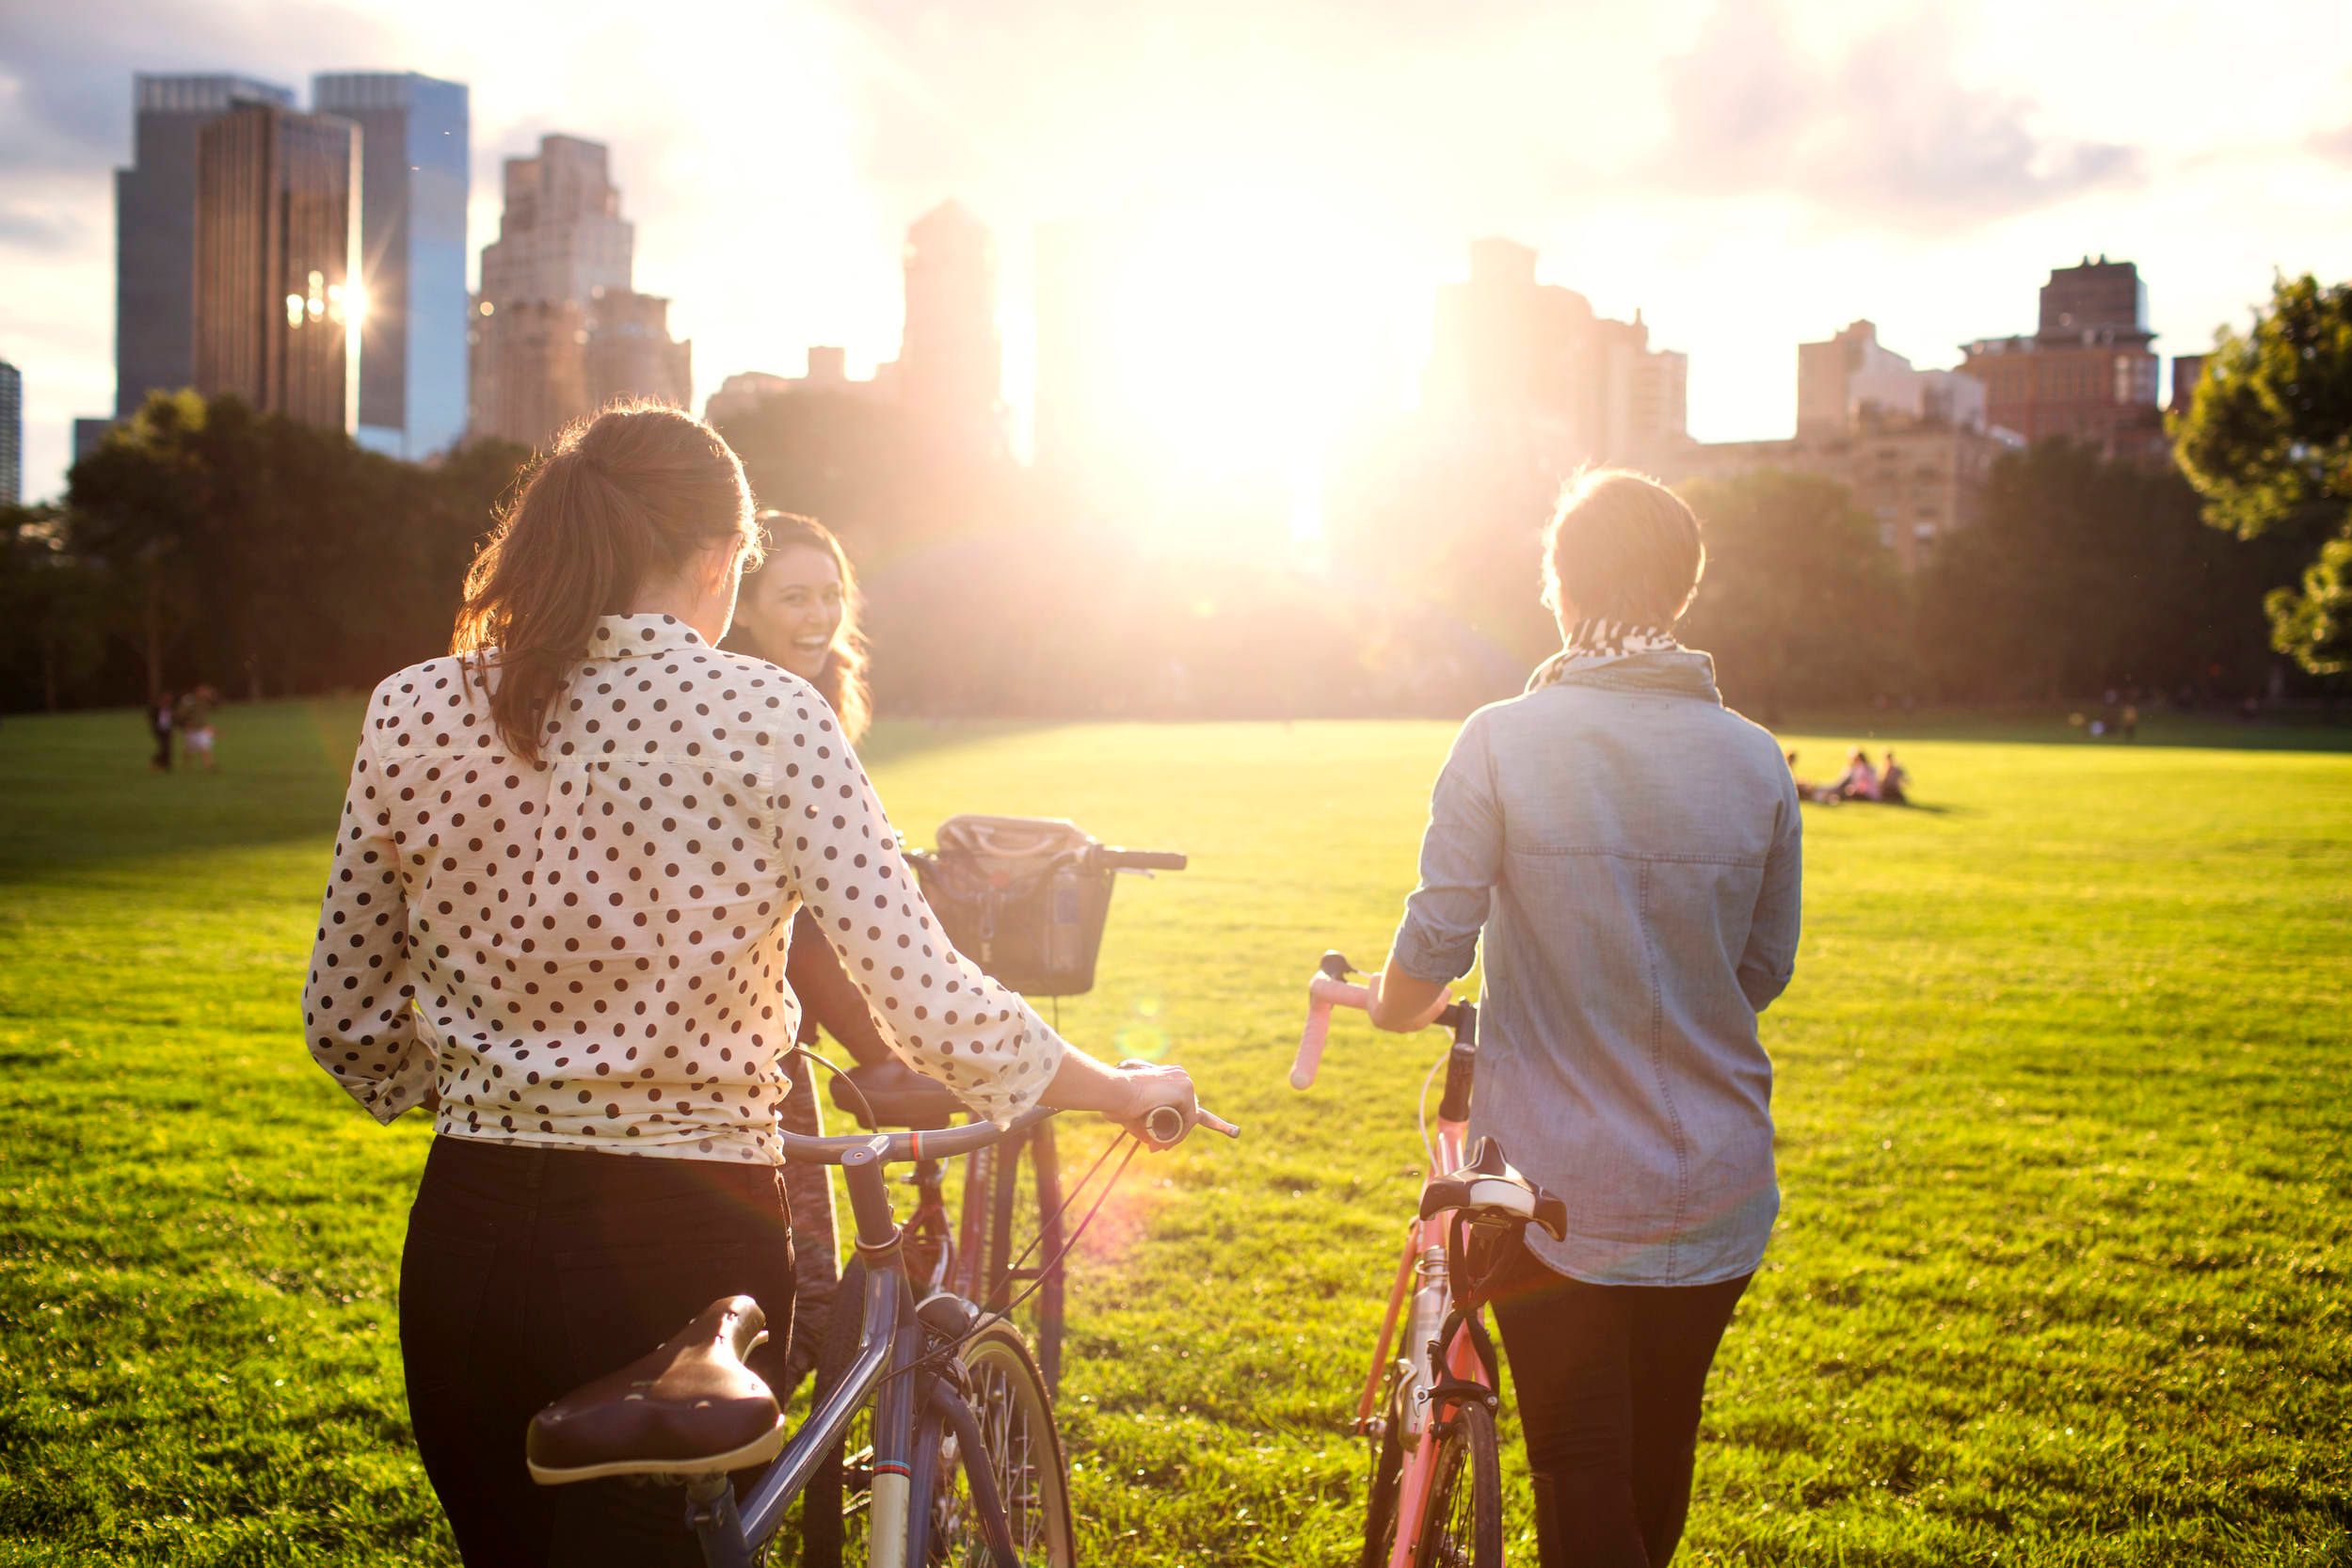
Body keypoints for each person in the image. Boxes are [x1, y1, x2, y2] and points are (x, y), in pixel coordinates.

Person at [300, 404, 1199, 1568]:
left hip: (469, 1237)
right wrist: (1115, 1087)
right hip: (682, 1244)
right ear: (723, 558)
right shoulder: (769, 713)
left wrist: (485, 1092)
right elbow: (928, 998)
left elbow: (346, 1015)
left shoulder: (413, 705)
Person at [1362, 469, 1800, 1568]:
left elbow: (1434, 945)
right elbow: (1762, 966)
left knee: (1577, 1456)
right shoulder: (1755, 757)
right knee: (1654, 1452)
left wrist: (1392, 1007)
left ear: (1562, 585)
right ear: (1683, 590)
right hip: (1715, 1176)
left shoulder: (1501, 739)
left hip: (1550, 1185)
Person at [722, 510, 891, 1392]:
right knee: (803, 1297)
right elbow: (805, 935)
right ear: (741, 605)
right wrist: (878, 1052)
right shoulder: (753, 709)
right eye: (793, 596)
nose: (819, 615)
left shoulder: (807, 701)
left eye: (830, 594)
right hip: (751, 1044)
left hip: (757, 1034)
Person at [177, 684, 218, 772]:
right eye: (203, 691)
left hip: (202, 729)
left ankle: (209, 766)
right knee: (189, 749)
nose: (204, 693)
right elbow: (180, 714)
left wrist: (212, 696)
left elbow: (216, 706)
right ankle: (186, 766)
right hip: (191, 729)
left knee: (205, 747)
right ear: (197, 691)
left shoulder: (205, 701)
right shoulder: (189, 700)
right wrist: (184, 724)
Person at [149, 692, 174, 772]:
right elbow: (151, 717)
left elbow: (172, 718)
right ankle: (155, 761)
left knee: (168, 748)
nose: (169, 700)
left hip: (168, 730)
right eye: (167, 699)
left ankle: (167, 765)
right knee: (164, 747)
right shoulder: (157, 707)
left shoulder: (169, 707)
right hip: (160, 731)